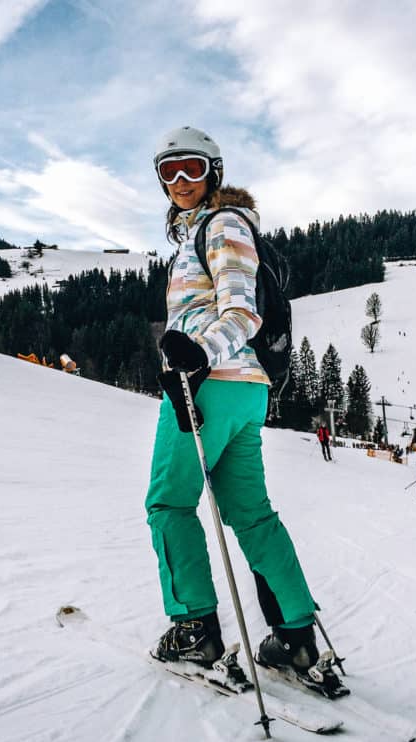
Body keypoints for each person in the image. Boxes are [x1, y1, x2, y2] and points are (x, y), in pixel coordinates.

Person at [144, 126, 335, 687]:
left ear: (215, 173)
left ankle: (194, 630)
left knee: (170, 504)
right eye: (168, 171)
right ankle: (295, 638)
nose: (180, 181)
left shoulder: (221, 225)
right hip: (246, 389)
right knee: (249, 513)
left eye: (192, 169)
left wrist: (196, 356)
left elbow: (243, 311)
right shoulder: (207, 231)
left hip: (206, 382)